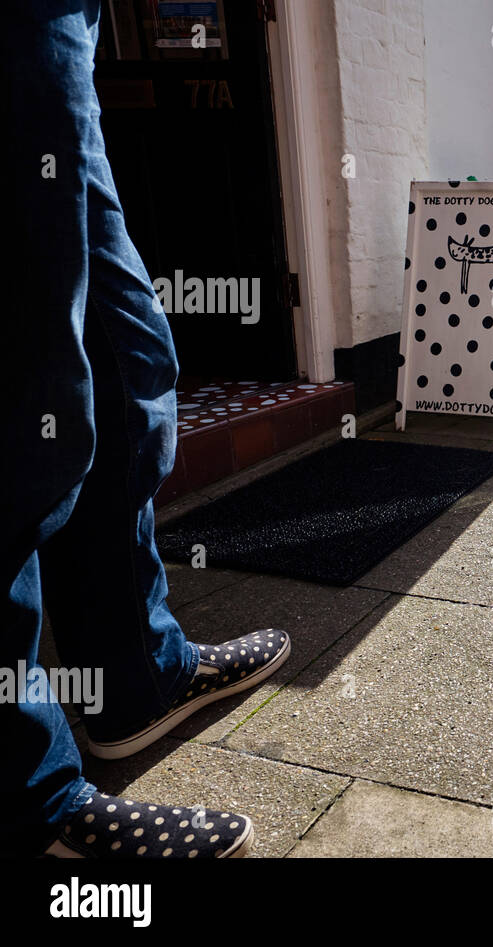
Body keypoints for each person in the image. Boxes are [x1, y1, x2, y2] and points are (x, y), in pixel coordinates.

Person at [2, 0, 291, 858]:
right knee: (22, 385)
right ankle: (29, 799)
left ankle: (135, 677)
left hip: (64, 25)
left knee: (126, 359)